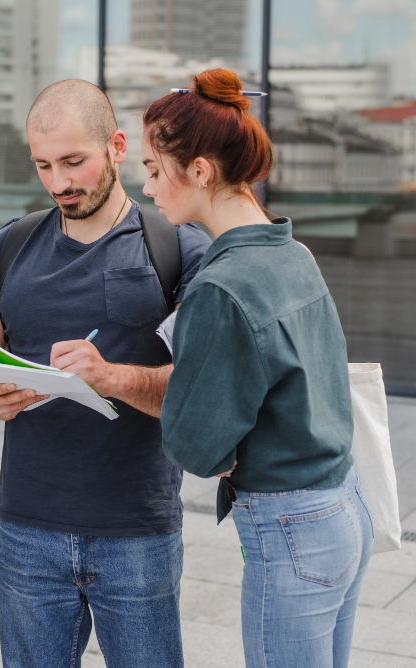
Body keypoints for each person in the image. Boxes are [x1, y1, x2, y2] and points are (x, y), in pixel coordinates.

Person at [0, 79, 211, 667]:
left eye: (74, 161)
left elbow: (201, 391)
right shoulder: (9, 247)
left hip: (136, 529)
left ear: (117, 147)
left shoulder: (177, 250)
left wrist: (113, 377)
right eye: (43, 165)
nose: (59, 183)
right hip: (26, 527)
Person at [144, 69, 373, 668]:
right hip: (346, 504)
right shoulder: (291, 250)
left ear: (199, 171)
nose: (146, 188)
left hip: (292, 523)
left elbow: (194, 445)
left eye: (151, 169)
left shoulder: (222, 286)